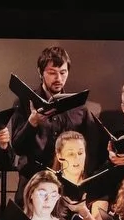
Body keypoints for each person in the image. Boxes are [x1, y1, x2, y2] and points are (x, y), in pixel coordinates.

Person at [10, 44, 94, 172]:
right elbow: (18, 148)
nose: (58, 78)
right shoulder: (24, 102)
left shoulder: (79, 107)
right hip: (33, 177)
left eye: (63, 72)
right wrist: (32, 123)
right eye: (52, 73)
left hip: (68, 177)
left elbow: (91, 147)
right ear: (40, 72)